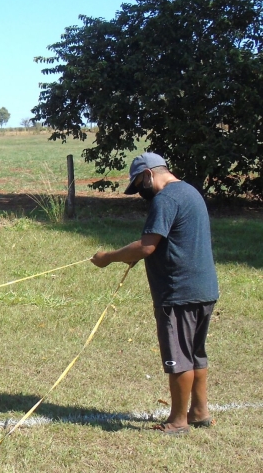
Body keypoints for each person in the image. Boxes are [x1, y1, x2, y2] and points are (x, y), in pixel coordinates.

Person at [91, 153, 219, 434]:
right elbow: (171, 240)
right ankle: (199, 411)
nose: (140, 192)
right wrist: (134, 255)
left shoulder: (165, 199)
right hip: (204, 289)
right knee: (195, 353)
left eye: (138, 184)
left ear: (149, 174)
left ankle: (177, 421)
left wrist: (108, 258)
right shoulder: (190, 191)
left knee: (179, 357)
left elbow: (147, 246)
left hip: (178, 291)